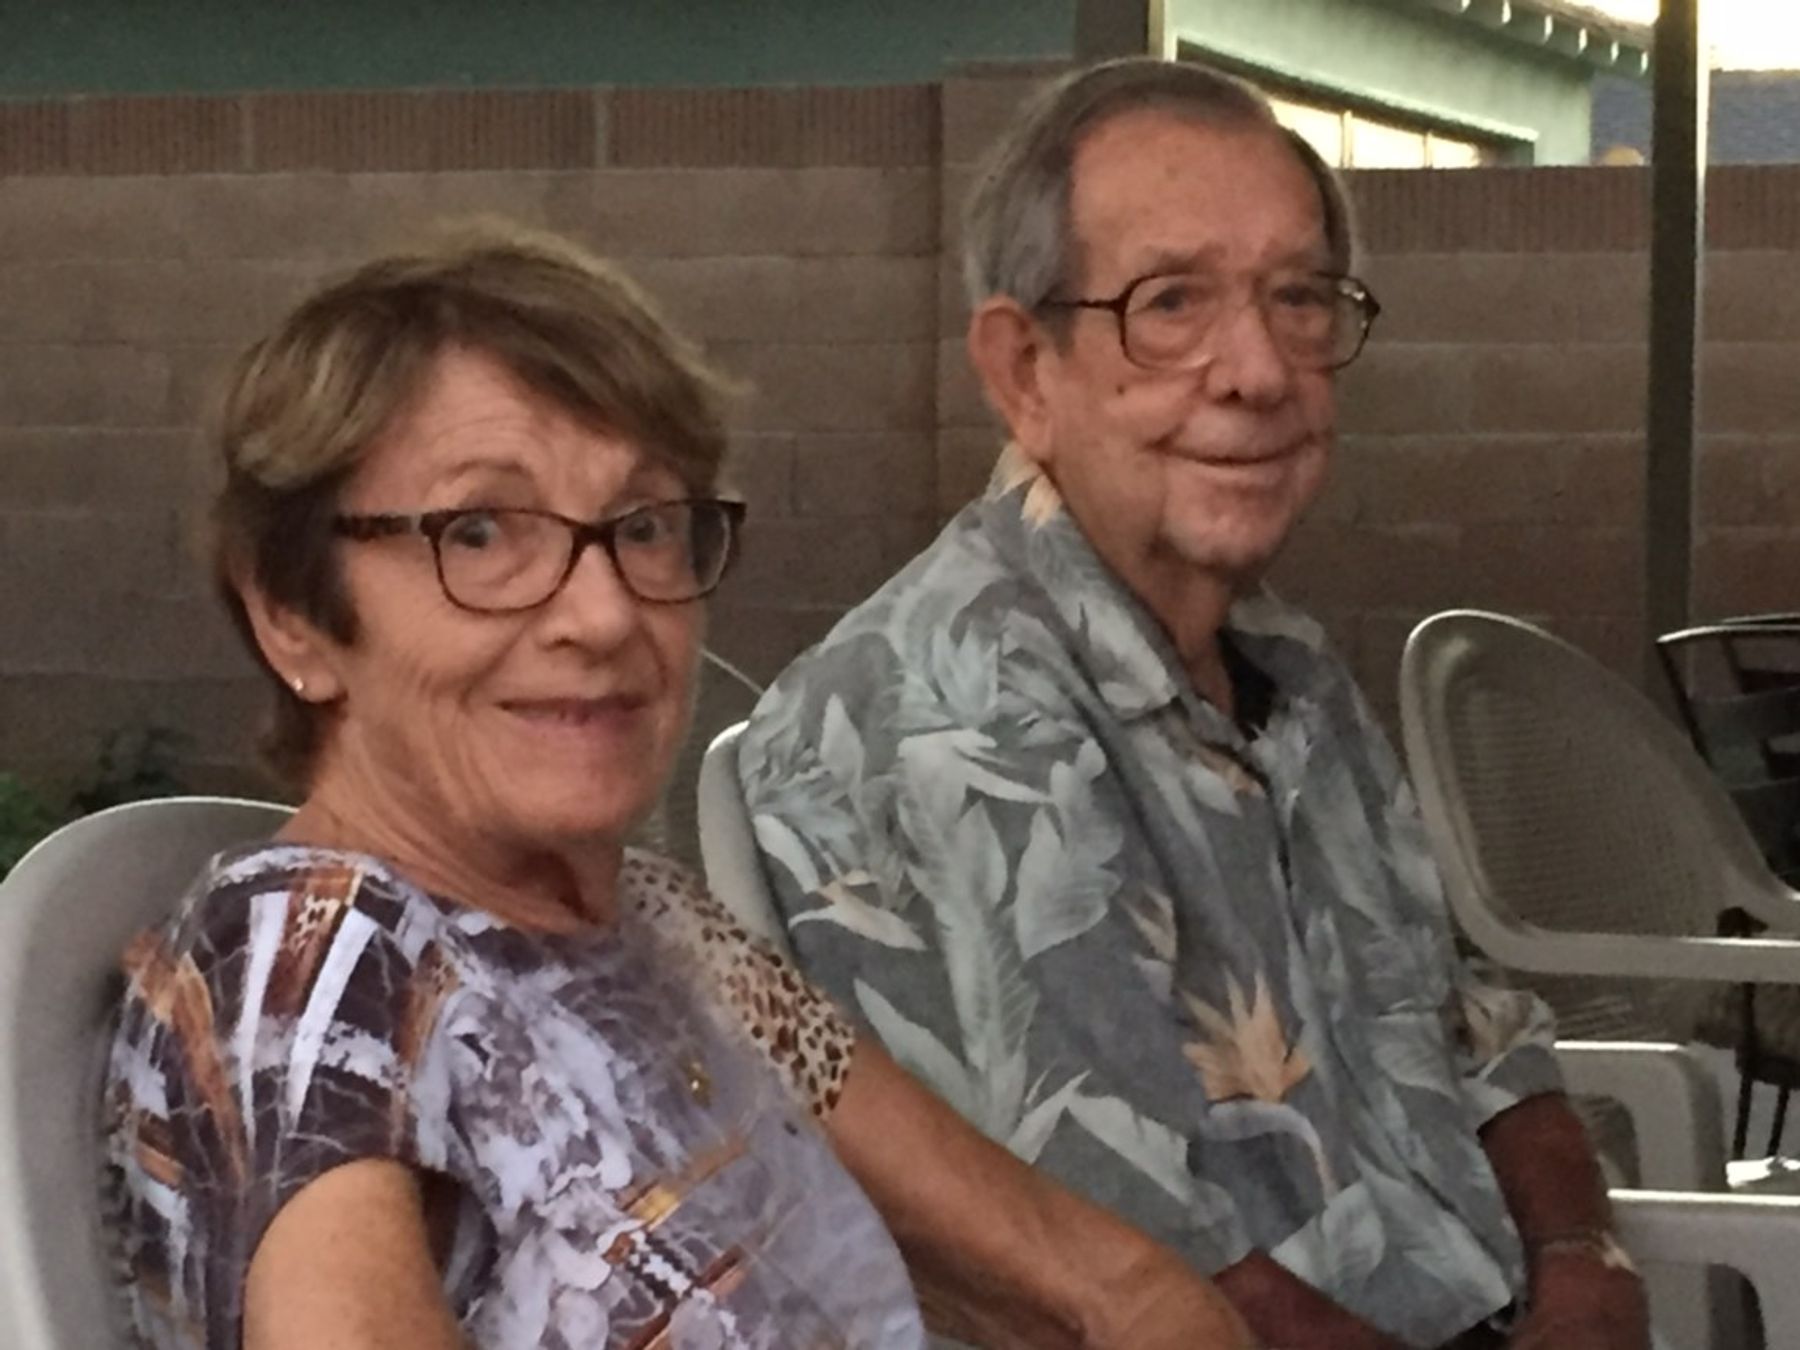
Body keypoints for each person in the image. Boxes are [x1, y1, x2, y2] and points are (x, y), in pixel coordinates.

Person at [98, 224, 1257, 1350]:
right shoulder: (306, 957)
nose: (606, 614)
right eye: (482, 532)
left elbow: (1099, 1289)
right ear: (292, 614)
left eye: (645, 526)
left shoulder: (660, 928)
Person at [738, 58, 1651, 1350]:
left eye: (1299, 298)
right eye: (1170, 303)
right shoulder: (952, 716)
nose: (1259, 370)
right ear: (1023, 370)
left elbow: (1476, 1031)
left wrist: (1581, 1256)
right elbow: (1140, 1274)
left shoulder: (1285, 665)